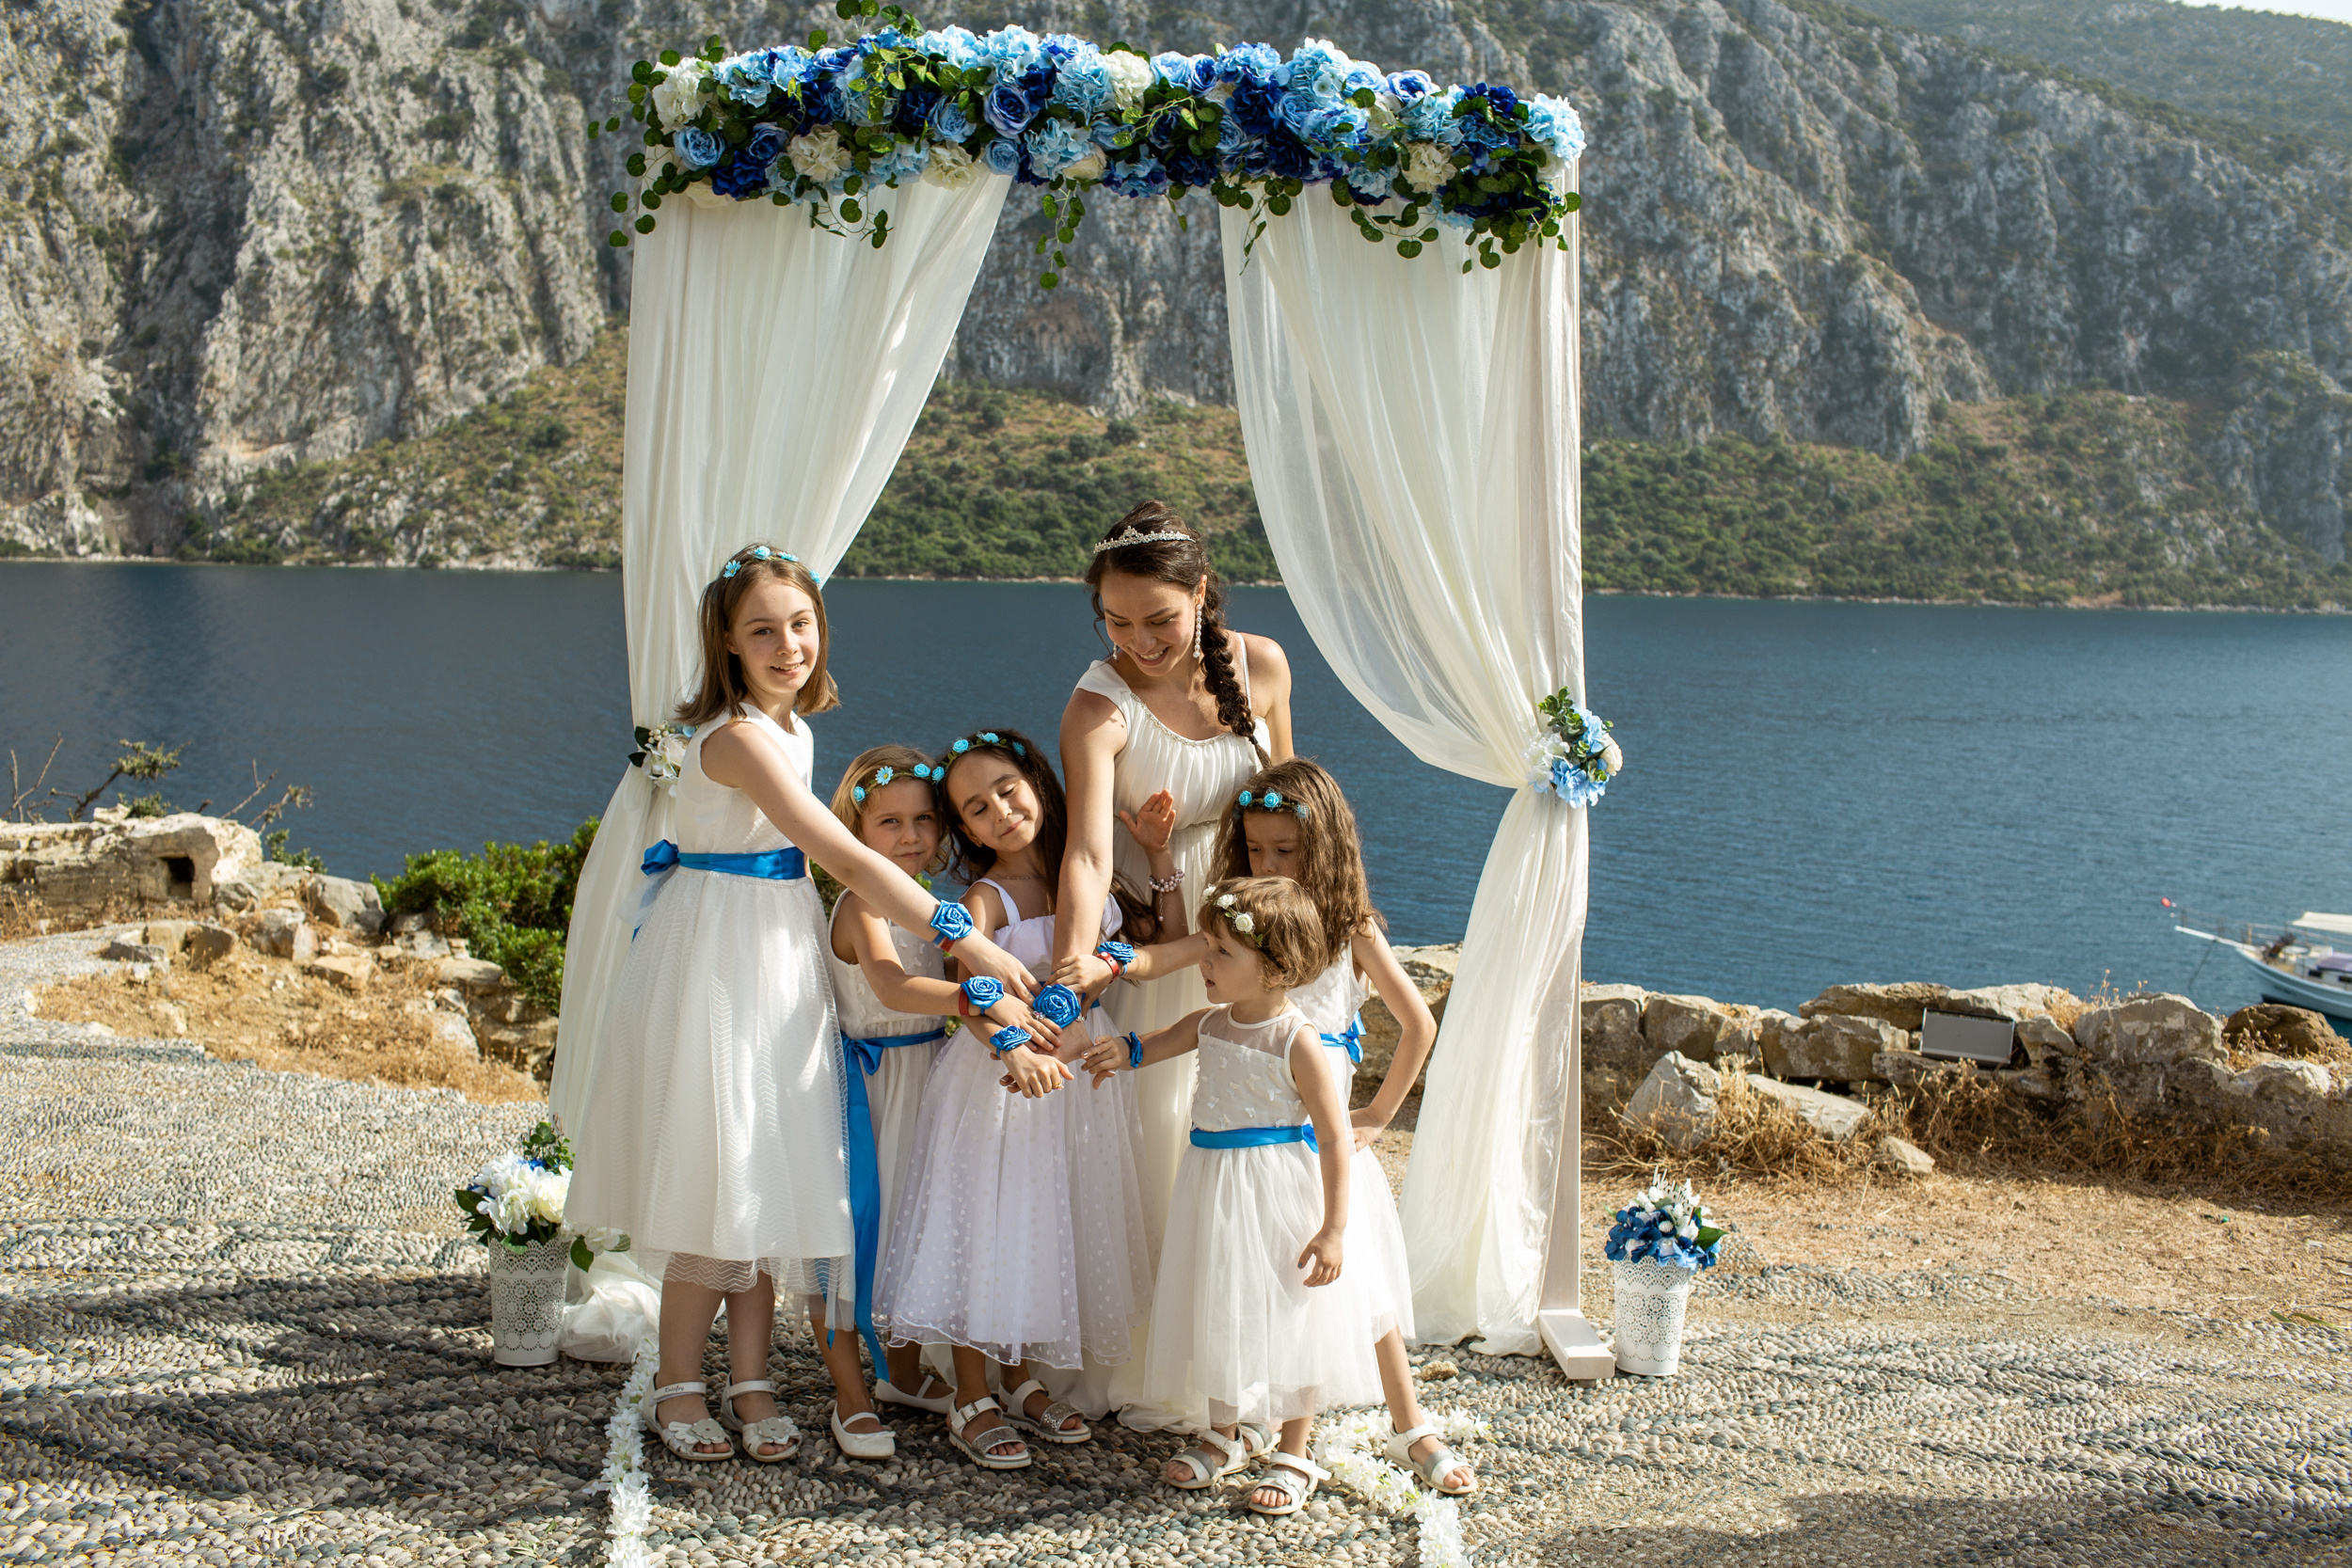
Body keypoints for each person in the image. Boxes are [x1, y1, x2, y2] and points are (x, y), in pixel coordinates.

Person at [566, 546, 1037, 1465]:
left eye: (801, 624)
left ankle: (751, 1380)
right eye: (762, 630)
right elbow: (851, 858)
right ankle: (678, 1384)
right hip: (717, 956)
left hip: (771, 943)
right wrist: (966, 933)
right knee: (721, 1166)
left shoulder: (793, 728)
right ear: (728, 644)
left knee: (769, 1163)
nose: (788, 644)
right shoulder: (738, 736)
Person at [876, 730, 1192, 1469]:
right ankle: (971, 1392)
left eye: (1007, 790)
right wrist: (1008, 1048)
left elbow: (1167, 941)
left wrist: (1156, 853)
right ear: (965, 830)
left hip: (1078, 1087)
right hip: (1002, 1082)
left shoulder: (1093, 876)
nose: (1000, 812)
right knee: (988, 1221)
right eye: (976, 809)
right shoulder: (986, 899)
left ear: (1038, 782)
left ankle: (1021, 1379)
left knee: (1045, 1223)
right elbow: (973, 992)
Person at [1051, 501, 1295, 1424]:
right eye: (1116, 621)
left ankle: (1263, 1343)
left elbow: (1292, 800)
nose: (1138, 640)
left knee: (1263, 1129)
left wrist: (1307, 920)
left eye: (1159, 617)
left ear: (1202, 593)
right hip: (1161, 926)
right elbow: (1083, 855)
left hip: (1257, 922)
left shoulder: (1261, 664)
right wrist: (1077, 961)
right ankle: (1169, 1356)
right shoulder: (1096, 704)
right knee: (1169, 1135)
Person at [1211, 758, 1474, 1496]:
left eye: (1284, 851)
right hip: (1256, 1143)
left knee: (1364, 1287)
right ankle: (1255, 1422)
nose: (1267, 863)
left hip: (1322, 1146)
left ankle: (1409, 1421)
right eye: (1255, 849)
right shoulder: (1245, 922)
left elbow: (1417, 1023)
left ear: (1322, 847)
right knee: (1274, 1280)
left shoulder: (1347, 929)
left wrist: (1380, 1114)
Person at [1082, 876, 1375, 1517]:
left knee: (1289, 1309)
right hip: (1212, 1183)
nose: (1205, 963)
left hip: (1274, 1188)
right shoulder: (1211, 1023)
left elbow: (1332, 1135)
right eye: (1208, 947)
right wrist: (1119, 1052)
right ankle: (1228, 1426)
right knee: (1219, 1298)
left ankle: (1295, 1446)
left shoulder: (1297, 1040)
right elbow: (1154, 1045)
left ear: (1274, 967)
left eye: (1221, 953)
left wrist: (1333, 1227)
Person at [818, 745, 1059, 1459]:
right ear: (855, 829)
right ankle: (848, 1393)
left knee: (914, 1227)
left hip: (930, 1074)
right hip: (874, 1084)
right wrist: (978, 994)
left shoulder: (937, 907)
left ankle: (902, 1371)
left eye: (924, 819)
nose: (911, 835)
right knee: (852, 1236)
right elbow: (892, 987)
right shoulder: (862, 900)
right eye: (889, 821)